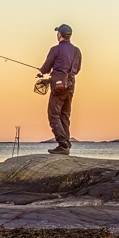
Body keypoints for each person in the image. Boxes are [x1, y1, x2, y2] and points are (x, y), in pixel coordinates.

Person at [37, 24, 82, 155]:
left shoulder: (55, 49)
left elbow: (46, 67)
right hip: (71, 86)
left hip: (58, 87)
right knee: (65, 116)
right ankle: (65, 145)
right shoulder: (77, 51)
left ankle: (63, 144)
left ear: (59, 35)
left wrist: (42, 71)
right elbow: (77, 69)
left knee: (53, 115)